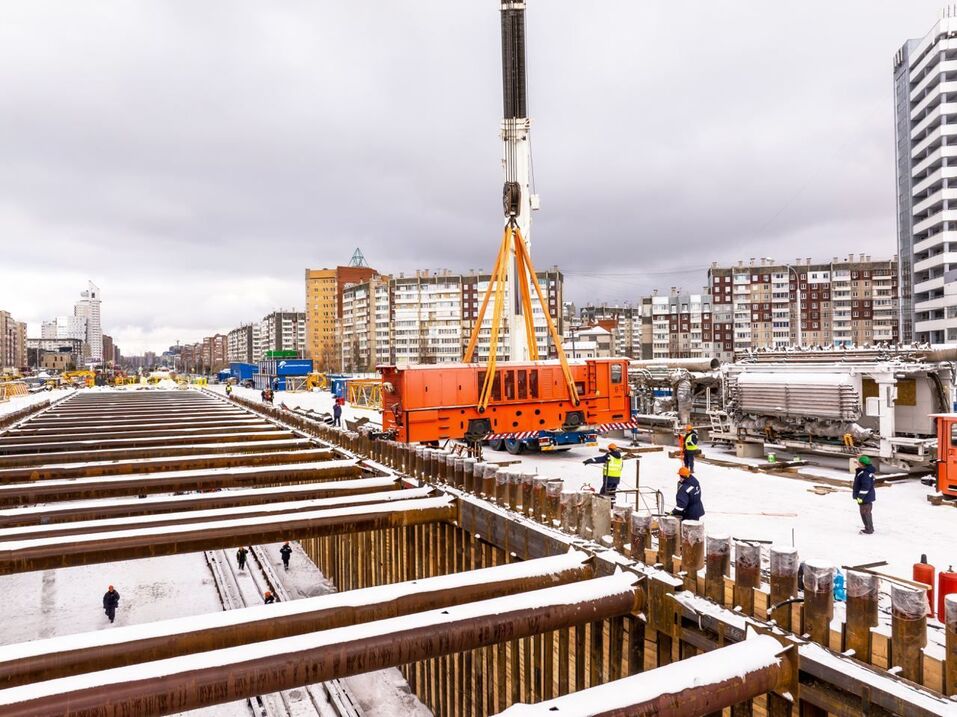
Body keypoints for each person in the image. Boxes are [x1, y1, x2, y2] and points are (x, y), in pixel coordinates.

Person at [852, 455, 876, 534]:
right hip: (867, 497)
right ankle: (869, 527)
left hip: (865, 498)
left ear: (862, 464)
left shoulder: (865, 474)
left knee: (865, 513)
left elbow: (865, 487)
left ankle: (869, 529)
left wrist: (860, 497)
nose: (858, 463)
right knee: (865, 512)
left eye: (859, 462)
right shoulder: (867, 470)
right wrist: (857, 462)